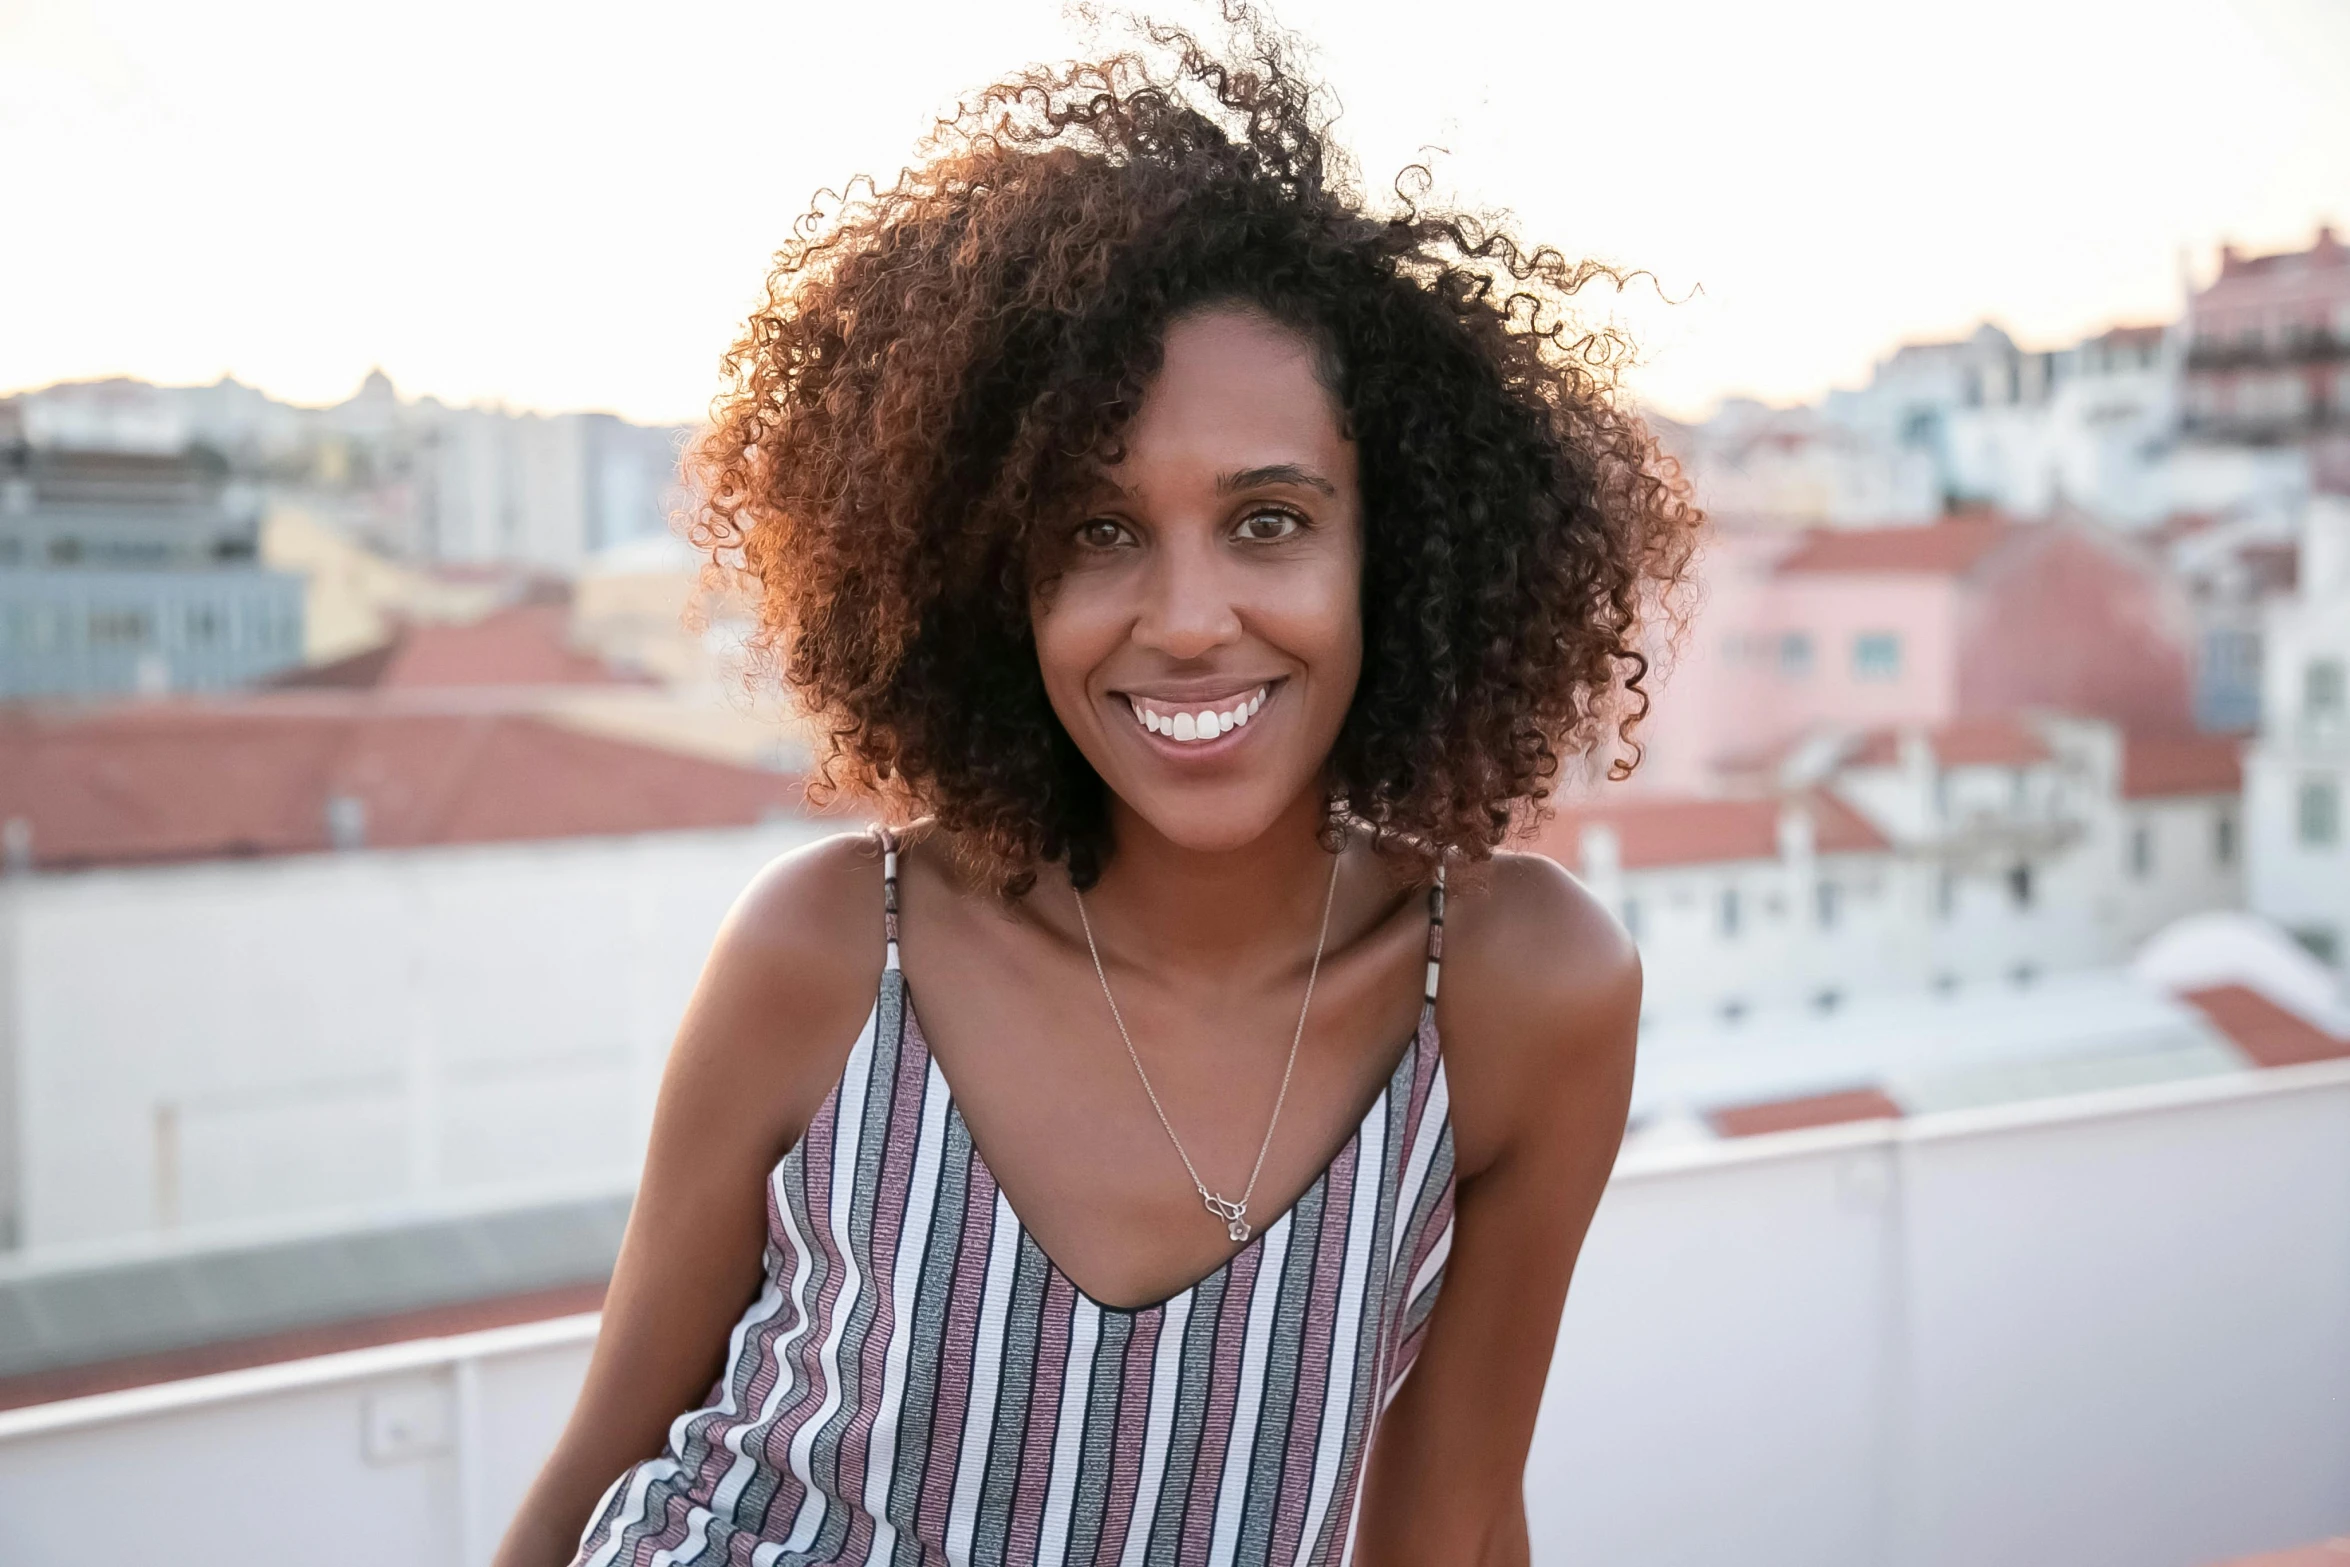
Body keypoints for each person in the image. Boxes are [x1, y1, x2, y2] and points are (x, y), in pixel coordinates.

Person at [496, 9, 1698, 1564]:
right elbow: (604, 1463)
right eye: (1096, 529)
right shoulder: (826, 952)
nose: (1188, 618)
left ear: (1394, 551)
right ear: (986, 575)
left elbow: (1452, 1524)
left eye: (1268, 522)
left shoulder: (1520, 992)